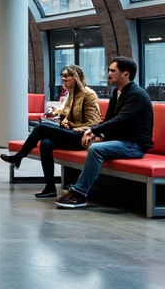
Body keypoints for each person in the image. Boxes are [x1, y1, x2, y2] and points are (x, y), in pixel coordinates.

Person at [55, 56, 153, 208]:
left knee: (95, 149)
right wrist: (97, 135)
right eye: (109, 70)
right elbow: (109, 119)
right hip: (119, 140)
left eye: (113, 71)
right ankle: (85, 186)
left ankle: (79, 194)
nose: (109, 74)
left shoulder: (137, 94)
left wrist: (92, 129)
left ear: (125, 74)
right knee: (89, 143)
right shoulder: (117, 92)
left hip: (134, 145)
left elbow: (121, 119)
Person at [0, 63, 101, 197]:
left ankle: (19, 156)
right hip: (69, 132)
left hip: (81, 136)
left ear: (76, 77)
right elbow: (65, 111)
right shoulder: (72, 93)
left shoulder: (89, 94)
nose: (64, 79)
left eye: (67, 76)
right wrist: (54, 111)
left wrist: (74, 128)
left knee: (41, 128)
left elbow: (93, 122)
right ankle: (50, 187)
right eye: (62, 76)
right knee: (46, 143)